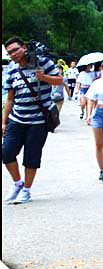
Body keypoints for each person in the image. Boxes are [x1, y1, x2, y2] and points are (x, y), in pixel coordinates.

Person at [2, 37, 62, 204]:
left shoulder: (43, 63)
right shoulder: (12, 70)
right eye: (10, 53)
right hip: (17, 119)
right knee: (6, 153)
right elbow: (9, 99)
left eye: (15, 49)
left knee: (31, 157)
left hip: (38, 121)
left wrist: (43, 77)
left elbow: (59, 80)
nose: (13, 54)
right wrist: (4, 122)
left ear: (24, 48)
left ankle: (26, 191)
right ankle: (17, 183)